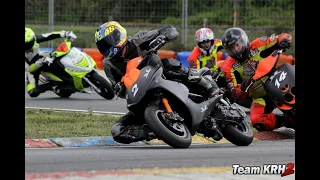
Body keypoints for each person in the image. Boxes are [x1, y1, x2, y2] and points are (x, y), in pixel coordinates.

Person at [95, 21, 219, 144]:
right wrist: (119, 88)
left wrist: (162, 38)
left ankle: (203, 82)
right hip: (141, 96)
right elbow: (118, 90)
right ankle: (152, 130)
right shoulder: (108, 64)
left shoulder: (138, 39)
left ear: (119, 34)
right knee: (117, 130)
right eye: (104, 45)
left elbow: (170, 30)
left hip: (160, 75)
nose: (108, 46)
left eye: (110, 40)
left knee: (168, 63)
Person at [220, 27, 292, 131]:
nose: (236, 50)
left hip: (278, 79)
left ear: (243, 40)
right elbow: (236, 94)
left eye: (237, 45)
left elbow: (284, 36)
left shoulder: (258, 43)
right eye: (231, 48)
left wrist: (284, 40)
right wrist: (242, 87)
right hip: (259, 96)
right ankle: (286, 121)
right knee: (257, 121)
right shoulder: (228, 67)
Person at [25, 27, 77, 97]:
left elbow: (49, 35)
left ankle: (70, 72)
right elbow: (29, 69)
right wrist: (40, 62)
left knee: (56, 55)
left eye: (28, 43)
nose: (26, 46)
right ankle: (50, 86)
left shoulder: (35, 38)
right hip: (31, 69)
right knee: (32, 92)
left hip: (39, 56)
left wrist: (65, 33)